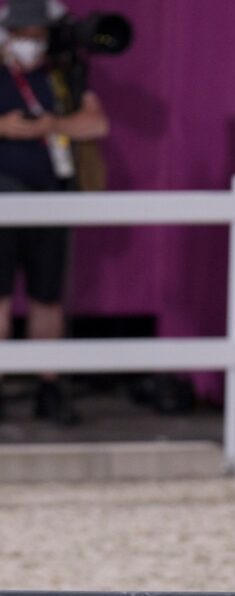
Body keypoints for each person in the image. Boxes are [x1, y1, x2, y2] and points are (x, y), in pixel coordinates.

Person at [0, 0, 109, 424]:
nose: (32, 45)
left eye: (38, 37)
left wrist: (48, 126)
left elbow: (96, 123)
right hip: (4, 202)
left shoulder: (60, 77)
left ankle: (49, 386)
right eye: (24, 36)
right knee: (1, 300)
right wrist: (5, 127)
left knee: (48, 298)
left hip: (50, 195)